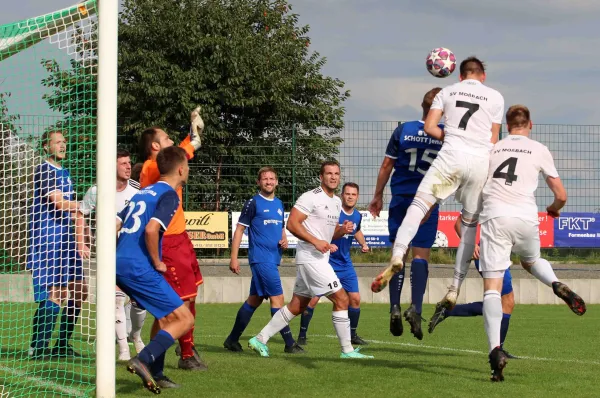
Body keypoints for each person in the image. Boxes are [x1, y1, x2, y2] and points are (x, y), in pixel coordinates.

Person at [371, 57, 505, 319]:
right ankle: (455, 287)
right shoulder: (496, 97)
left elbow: (431, 127)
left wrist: (455, 136)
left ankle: (398, 255)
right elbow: (493, 138)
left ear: (459, 75)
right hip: (478, 161)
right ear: (483, 76)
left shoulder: (447, 92)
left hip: (448, 158)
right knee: (468, 225)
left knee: (418, 206)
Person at [479, 105, 585, 381]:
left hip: (496, 216)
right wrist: (552, 209)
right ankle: (555, 284)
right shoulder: (539, 149)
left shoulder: (493, 147)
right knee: (531, 261)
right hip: (525, 217)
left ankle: (495, 351)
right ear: (530, 124)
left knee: (492, 287)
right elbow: (561, 195)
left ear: (506, 124)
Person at [247, 161, 373, 359]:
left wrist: (342, 230)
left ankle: (260, 339)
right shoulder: (310, 197)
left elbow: (330, 235)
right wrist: (316, 241)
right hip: (310, 259)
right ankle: (347, 351)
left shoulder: (337, 202)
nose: (333, 177)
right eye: (329, 173)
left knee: (297, 306)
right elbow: (292, 224)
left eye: (336, 174)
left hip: (320, 258)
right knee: (342, 299)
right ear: (321, 177)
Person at [368, 88, 443, 340]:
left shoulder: (404, 130)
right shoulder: (445, 136)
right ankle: (416, 307)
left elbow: (386, 165)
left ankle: (394, 307)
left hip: (400, 198)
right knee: (421, 256)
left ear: (422, 106)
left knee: (399, 253)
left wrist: (377, 195)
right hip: (426, 201)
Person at [118, 146, 194, 393]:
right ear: (181, 169)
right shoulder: (170, 195)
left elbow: (115, 223)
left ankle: (157, 373)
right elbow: (152, 229)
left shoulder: (141, 193)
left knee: (165, 318)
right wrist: (157, 262)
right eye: (188, 166)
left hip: (120, 262)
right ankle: (142, 359)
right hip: (139, 266)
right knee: (185, 319)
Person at [138, 107, 206, 370]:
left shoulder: (159, 165)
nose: (171, 143)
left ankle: (186, 350)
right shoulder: (151, 167)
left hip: (181, 239)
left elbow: (180, 153)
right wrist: (193, 140)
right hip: (169, 243)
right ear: (155, 146)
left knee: (190, 294)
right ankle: (175, 356)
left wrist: (193, 134)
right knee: (175, 304)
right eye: (167, 139)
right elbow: (178, 156)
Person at [223, 167, 303, 354]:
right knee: (278, 299)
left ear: (276, 182)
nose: (268, 181)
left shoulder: (279, 203)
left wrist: (284, 240)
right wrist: (234, 258)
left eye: (272, 178)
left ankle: (232, 339)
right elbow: (240, 230)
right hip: (261, 259)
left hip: (273, 259)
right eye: (265, 179)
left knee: (254, 300)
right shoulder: (253, 202)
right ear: (259, 182)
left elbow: (281, 227)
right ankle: (289, 343)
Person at [78, 148, 147, 361]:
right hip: (110, 254)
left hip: (136, 253)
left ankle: (135, 336)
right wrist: (82, 243)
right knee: (116, 300)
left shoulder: (137, 190)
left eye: (129, 162)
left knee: (139, 302)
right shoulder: (97, 191)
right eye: (123, 163)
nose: (128, 167)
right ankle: (123, 348)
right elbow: (81, 213)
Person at [27, 130, 90, 359]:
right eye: (57, 142)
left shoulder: (65, 172)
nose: (63, 145)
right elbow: (60, 203)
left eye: (64, 141)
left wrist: (83, 236)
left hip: (67, 241)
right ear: (46, 146)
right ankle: (39, 346)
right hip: (48, 240)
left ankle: (62, 344)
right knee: (56, 293)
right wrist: (86, 202)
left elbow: (75, 213)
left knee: (79, 290)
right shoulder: (45, 170)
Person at [428, 215, 517, 359]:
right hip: (488, 253)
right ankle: (498, 349)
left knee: (504, 303)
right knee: (506, 301)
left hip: (500, 253)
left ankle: (447, 311)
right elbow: (458, 223)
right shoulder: (488, 197)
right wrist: (472, 245)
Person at [297, 182, 370, 346]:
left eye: (353, 194)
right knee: (313, 299)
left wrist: (363, 244)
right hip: (327, 262)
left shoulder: (357, 215)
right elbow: (322, 230)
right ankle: (302, 335)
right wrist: (328, 243)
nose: (350, 197)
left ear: (357, 197)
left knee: (355, 299)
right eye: (347, 194)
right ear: (342, 195)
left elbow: (357, 230)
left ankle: (353, 335)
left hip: (345, 264)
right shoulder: (334, 211)